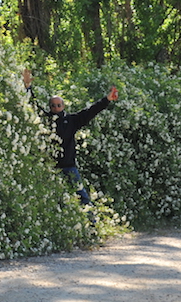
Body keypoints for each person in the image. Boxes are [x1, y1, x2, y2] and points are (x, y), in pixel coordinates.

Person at [23, 69, 118, 205]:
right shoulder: (45, 120)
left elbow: (91, 111)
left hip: (68, 166)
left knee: (82, 197)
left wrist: (107, 99)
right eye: (53, 105)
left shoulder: (72, 120)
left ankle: (92, 223)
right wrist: (27, 87)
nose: (56, 107)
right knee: (54, 200)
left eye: (58, 105)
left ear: (63, 106)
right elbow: (32, 105)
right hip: (51, 167)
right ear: (49, 107)